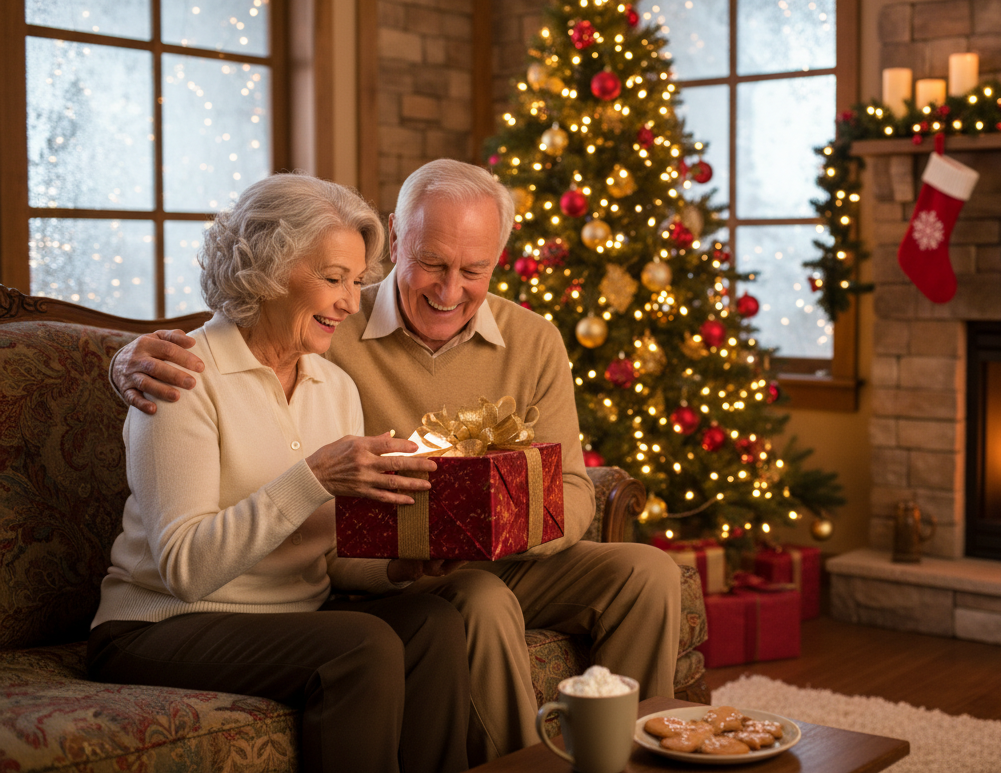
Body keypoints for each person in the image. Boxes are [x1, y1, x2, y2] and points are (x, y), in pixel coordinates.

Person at [110, 159, 683, 764]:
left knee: (645, 573)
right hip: (217, 604)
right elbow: (222, 345)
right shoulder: (274, 354)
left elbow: (571, 487)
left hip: (463, 563)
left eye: (475, 270)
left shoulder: (341, 379)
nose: (449, 288)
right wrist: (120, 363)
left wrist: (464, 540)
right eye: (432, 263)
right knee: (435, 617)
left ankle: (644, 755)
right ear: (398, 236)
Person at [90, 173, 472, 773]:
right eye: (332, 278)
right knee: (363, 646)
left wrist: (400, 567)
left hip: (296, 618)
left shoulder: (333, 385)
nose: (350, 301)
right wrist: (313, 478)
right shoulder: (182, 378)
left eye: (356, 280)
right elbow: (186, 569)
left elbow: (325, 556)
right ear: (265, 270)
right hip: (161, 625)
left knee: (434, 622)